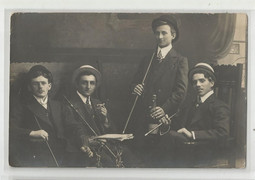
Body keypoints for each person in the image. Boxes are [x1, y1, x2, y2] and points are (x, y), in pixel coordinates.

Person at [128, 15, 189, 160]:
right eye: (157, 33)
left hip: (165, 118)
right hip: (143, 116)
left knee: (160, 158)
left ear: (173, 35)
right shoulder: (148, 58)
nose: (159, 37)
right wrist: (135, 87)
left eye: (164, 33)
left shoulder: (180, 60)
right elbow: (134, 82)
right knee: (140, 157)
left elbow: (181, 91)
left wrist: (164, 108)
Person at [158, 63, 230, 167]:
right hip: (185, 148)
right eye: (194, 82)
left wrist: (193, 134)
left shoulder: (220, 106)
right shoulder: (190, 105)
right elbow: (178, 126)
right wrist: (167, 124)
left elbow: (222, 133)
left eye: (202, 80)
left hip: (204, 150)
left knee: (170, 138)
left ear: (212, 82)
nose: (198, 85)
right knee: (166, 137)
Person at [62, 65, 124, 167]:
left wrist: (106, 120)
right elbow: (73, 128)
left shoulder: (97, 102)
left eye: (92, 83)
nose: (88, 86)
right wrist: (88, 140)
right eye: (84, 82)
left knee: (129, 156)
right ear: (77, 84)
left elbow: (111, 129)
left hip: (105, 145)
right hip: (85, 147)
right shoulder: (69, 104)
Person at [9, 65, 67, 167]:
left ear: (49, 86)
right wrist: (32, 133)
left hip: (62, 155)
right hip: (36, 157)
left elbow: (71, 126)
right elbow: (10, 128)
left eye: (43, 83)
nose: (40, 87)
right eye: (35, 84)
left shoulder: (59, 105)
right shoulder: (21, 106)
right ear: (29, 87)